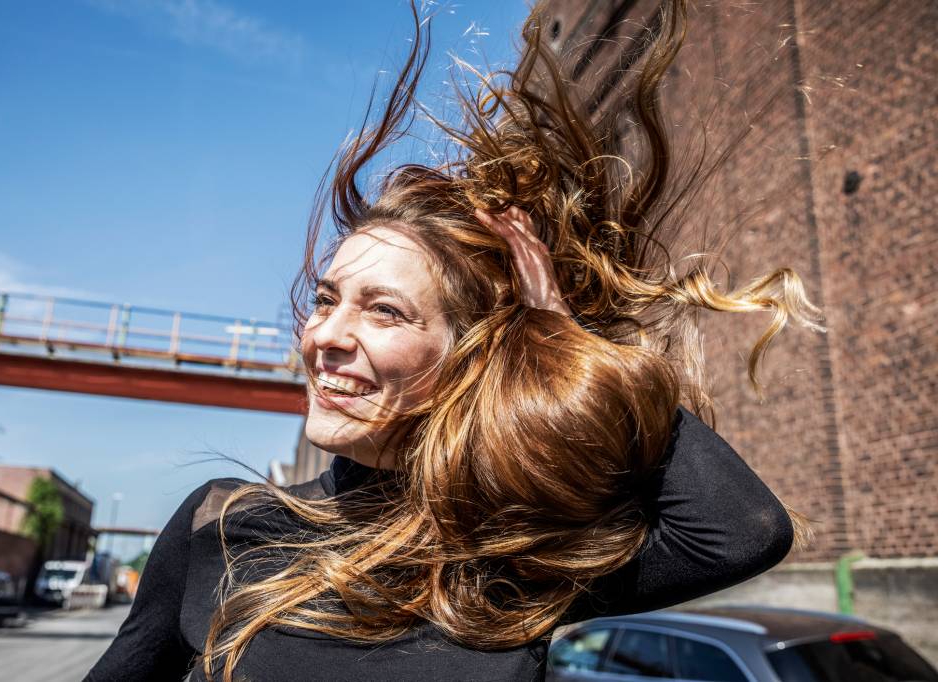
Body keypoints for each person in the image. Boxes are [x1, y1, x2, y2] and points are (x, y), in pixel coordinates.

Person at [87, 2, 821, 680]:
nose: (328, 337)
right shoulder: (223, 525)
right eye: (326, 299)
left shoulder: (509, 553)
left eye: (386, 312)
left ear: (467, 358)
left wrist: (563, 342)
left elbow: (742, 531)